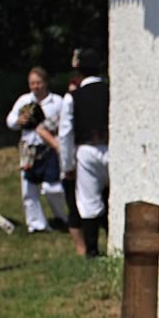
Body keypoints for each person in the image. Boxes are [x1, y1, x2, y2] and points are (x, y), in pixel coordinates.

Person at [5, 67, 69, 233]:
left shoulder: (57, 101)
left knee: (53, 186)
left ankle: (61, 216)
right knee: (28, 188)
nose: (35, 86)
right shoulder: (24, 100)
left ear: (46, 83)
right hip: (29, 148)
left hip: (49, 148)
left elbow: (65, 123)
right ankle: (37, 224)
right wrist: (19, 120)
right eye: (32, 83)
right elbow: (10, 121)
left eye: (38, 83)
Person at [59, 48, 109, 257]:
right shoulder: (112, 91)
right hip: (112, 147)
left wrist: (67, 165)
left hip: (87, 150)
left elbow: (65, 134)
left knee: (89, 201)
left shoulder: (73, 97)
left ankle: (92, 249)